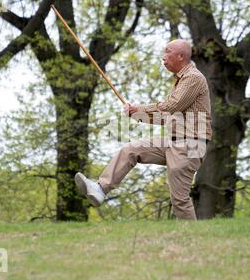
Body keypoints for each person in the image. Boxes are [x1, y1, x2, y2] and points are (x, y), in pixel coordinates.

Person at [75, 39, 212, 220]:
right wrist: (135, 114)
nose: (163, 56)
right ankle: (101, 188)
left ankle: (193, 240)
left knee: (179, 200)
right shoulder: (181, 82)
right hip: (174, 141)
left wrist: (139, 108)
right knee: (131, 150)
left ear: (181, 56)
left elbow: (172, 106)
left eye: (167, 52)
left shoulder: (193, 78)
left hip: (190, 145)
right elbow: (166, 116)